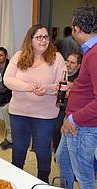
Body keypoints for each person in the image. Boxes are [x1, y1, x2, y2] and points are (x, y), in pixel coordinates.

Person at [3, 24, 66, 183]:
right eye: (39, 37)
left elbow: (62, 84)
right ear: (30, 40)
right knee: (19, 148)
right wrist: (27, 87)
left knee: (42, 149)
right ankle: (16, 180)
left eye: (46, 37)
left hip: (45, 115)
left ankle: (42, 181)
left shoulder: (57, 58)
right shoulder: (19, 56)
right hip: (19, 112)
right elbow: (7, 80)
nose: (44, 40)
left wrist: (47, 89)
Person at [55, 6, 97, 189]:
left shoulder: (94, 54)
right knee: (62, 158)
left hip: (81, 125)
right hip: (74, 121)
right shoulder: (90, 51)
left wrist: (73, 118)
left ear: (77, 28)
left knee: (84, 175)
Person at [53, 51, 82, 153]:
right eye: (67, 61)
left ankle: (58, 153)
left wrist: (71, 87)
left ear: (79, 66)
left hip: (70, 110)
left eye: (72, 63)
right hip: (55, 105)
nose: (68, 64)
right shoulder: (61, 73)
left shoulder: (80, 78)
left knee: (58, 127)